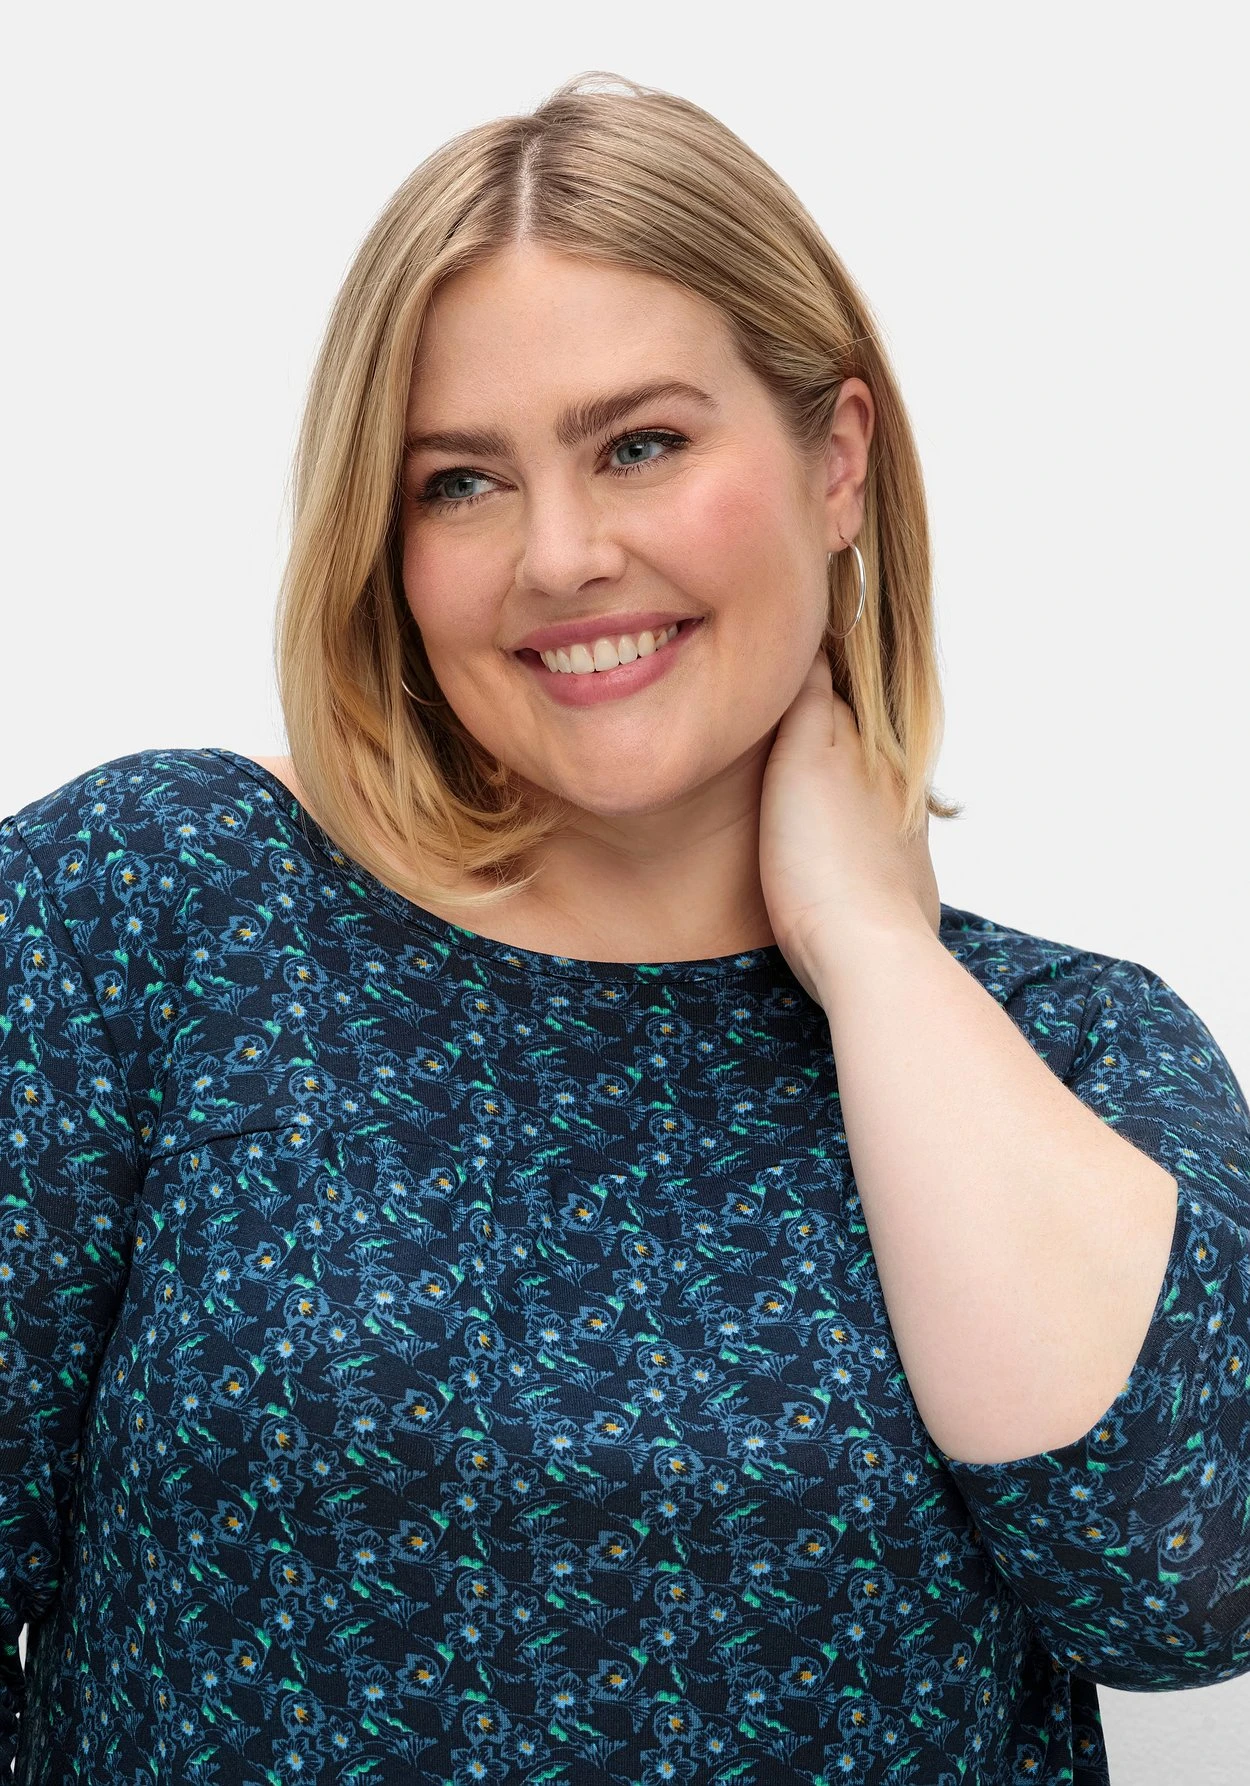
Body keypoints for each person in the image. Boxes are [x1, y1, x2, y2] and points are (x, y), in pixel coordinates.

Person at [1, 70, 1247, 1786]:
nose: (560, 554)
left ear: (835, 459)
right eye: (460, 481)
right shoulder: (160, 903)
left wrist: (871, 948)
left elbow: (1175, 1589)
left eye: (639, 445)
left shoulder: (1071, 1051)